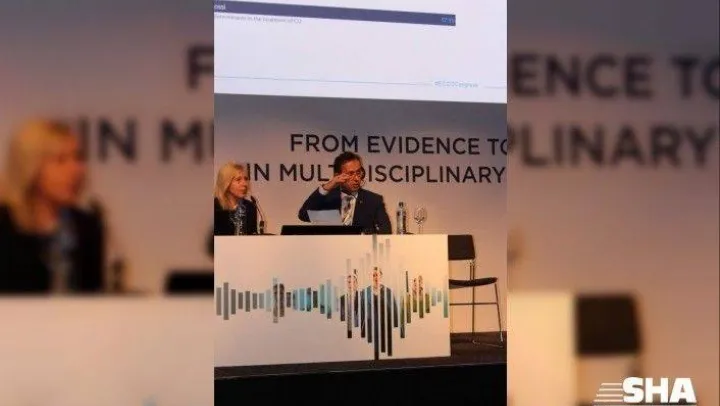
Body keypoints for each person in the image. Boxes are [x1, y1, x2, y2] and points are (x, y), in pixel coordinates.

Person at [0, 119, 105, 294]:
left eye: (78, 158)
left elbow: (93, 297)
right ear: (31, 168)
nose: (75, 170)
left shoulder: (87, 226)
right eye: (60, 161)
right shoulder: (5, 226)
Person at [298, 152, 391, 234]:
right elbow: (304, 215)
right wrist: (326, 187)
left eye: (358, 172)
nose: (356, 178)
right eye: (350, 174)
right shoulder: (329, 199)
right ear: (337, 176)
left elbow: (386, 232)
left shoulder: (373, 201)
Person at [213, 162, 259, 236]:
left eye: (245, 179)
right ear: (226, 183)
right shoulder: (214, 207)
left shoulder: (250, 207)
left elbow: (252, 237)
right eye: (238, 180)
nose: (244, 184)